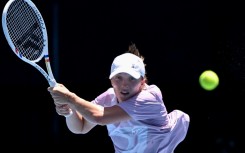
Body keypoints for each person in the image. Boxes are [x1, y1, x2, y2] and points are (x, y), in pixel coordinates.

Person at [48, 43, 190, 153]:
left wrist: (69, 98)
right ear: (111, 80)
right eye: (118, 77)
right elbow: (81, 127)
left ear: (143, 81)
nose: (124, 85)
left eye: (131, 79)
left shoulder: (149, 98)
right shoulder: (109, 97)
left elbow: (99, 117)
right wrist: (70, 111)